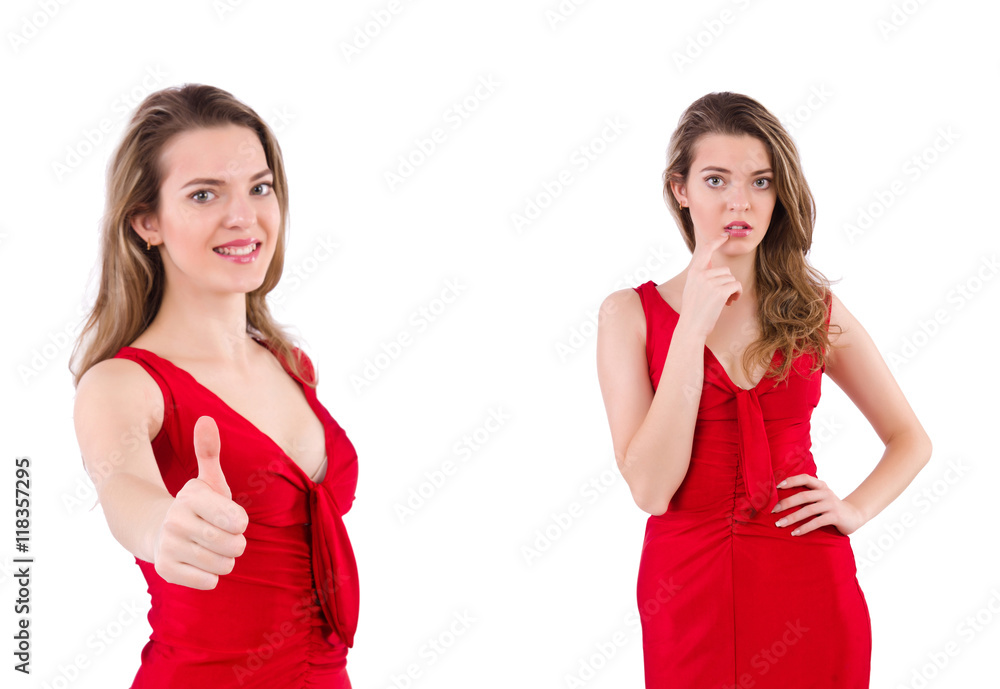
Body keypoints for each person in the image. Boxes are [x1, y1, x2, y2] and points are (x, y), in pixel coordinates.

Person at [595, 91, 931, 687]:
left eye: (760, 181)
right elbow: (650, 488)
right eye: (716, 180)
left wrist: (853, 509)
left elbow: (909, 439)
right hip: (685, 585)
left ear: (780, 193)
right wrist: (693, 322)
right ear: (681, 189)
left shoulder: (812, 308)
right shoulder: (630, 315)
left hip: (809, 577)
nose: (739, 203)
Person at [70, 84, 359, 688]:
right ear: (147, 222)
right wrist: (163, 527)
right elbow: (125, 490)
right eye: (204, 194)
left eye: (259, 187)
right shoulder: (122, 383)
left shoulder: (291, 364)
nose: (243, 216)